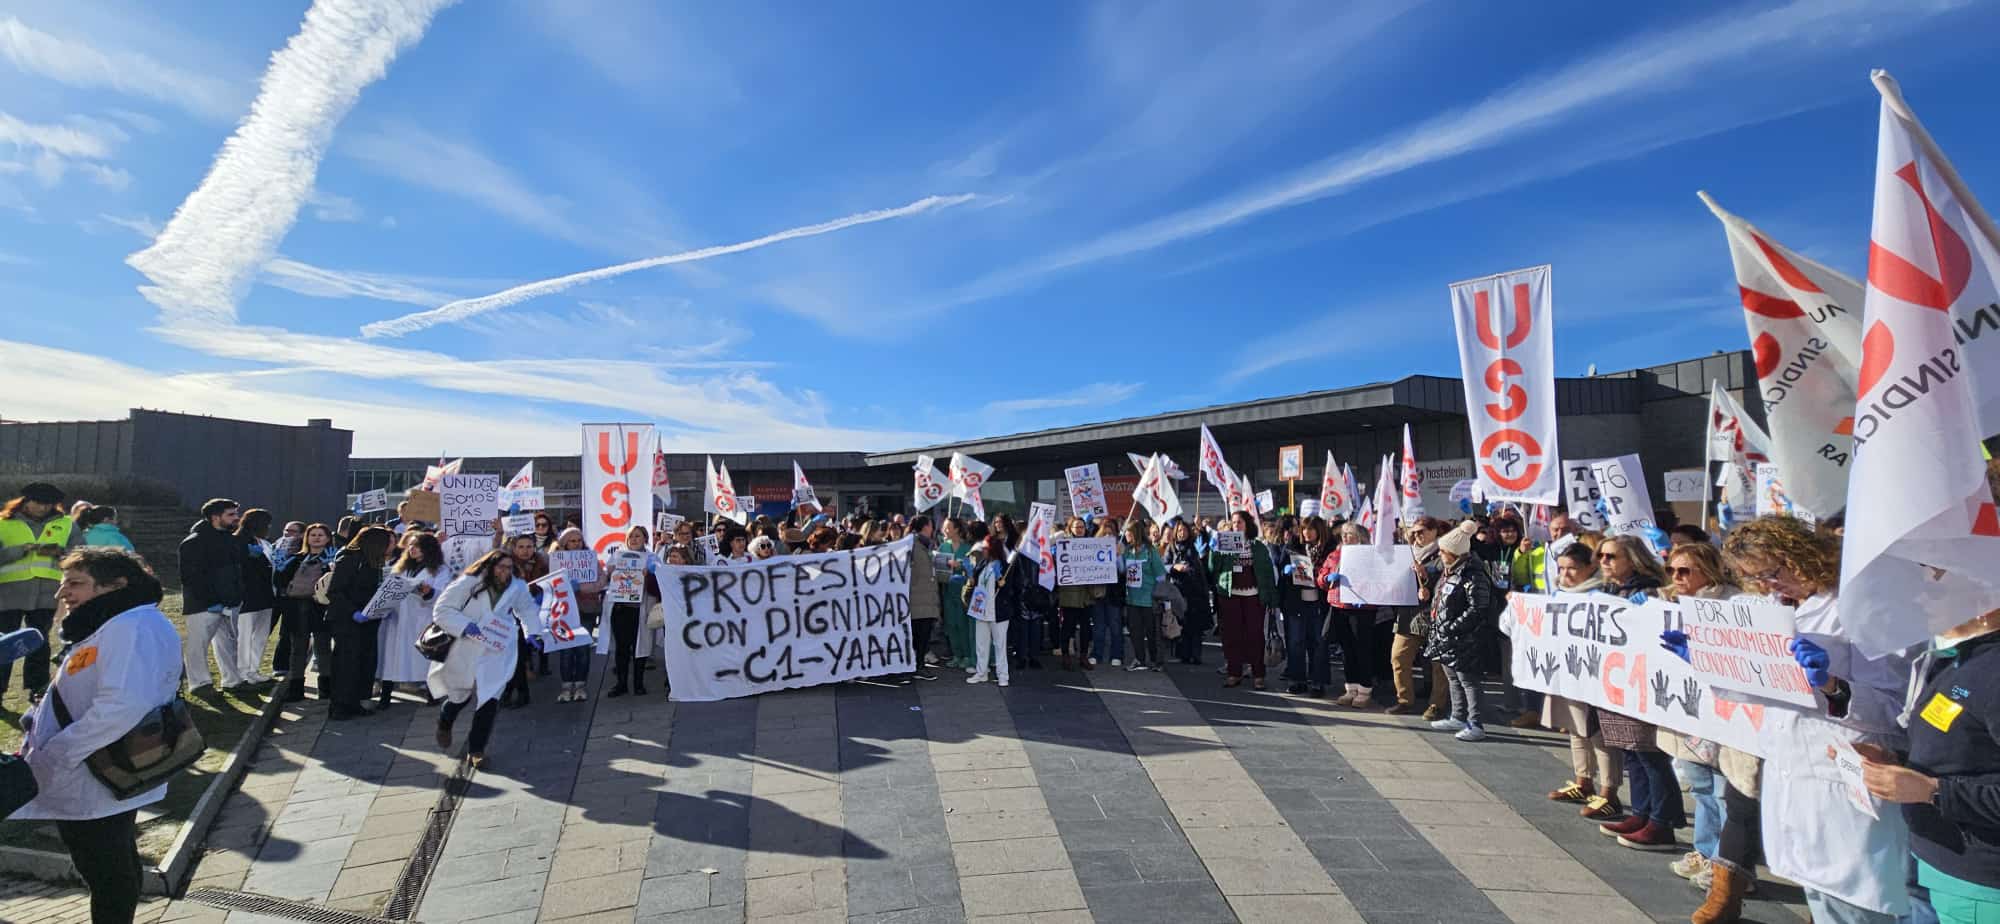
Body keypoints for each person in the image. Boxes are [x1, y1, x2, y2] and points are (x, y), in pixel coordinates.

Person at [1716, 516, 1914, 924]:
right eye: (1756, 578)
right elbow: (1761, 690)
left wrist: (1832, 685)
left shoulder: (1860, 607)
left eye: (1773, 572)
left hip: (1846, 779)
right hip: (1796, 777)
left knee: (1858, 908)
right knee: (1821, 900)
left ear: (1800, 556)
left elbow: (1896, 707)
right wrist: (1710, 662)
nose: (1769, 585)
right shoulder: (1777, 609)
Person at [12, 547, 181, 924]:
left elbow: (122, 706)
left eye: (75, 583)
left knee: (106, 871)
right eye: (62, 583)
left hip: (96, 771)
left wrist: (55, 753)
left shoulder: (131, 628)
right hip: (99, 770)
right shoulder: (116, 621)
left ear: (116, 585)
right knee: (114, 865)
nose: (62, 593)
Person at [1855, 604, 2000, 924]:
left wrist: (1934, 791)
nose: (1925, 599)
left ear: (1986, 607)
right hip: (1933, 860)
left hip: (1978, 887)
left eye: (1942, 588)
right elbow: (1959, 751)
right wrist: (1897, 762)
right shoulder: (1959, 659)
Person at [1655, 542, 1745, 882]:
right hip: (1687, 708)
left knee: (1724, 789)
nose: (1676, 577)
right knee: (1701, 785)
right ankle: (1705, 851)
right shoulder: (1670, 602)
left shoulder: (1730, 604)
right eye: (1671, 571)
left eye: (1684, 571)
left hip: (1721, 711)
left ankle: (1729, 864)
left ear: (1708, 570)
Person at [1590, 534, 1684, 850]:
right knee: (1630, 751)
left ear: (1633, 559)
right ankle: (1641, 812)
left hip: (1642, 682)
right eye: (1601, 556)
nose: (1603, 561)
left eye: (1611, 556)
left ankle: (1662, 822)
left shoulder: (1649, 592)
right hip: (1618, 680)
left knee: (1649, 753)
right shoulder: (1608, 589)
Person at [1540, 538, 1628, 820]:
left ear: (1590, 568)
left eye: (1572, 569)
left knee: (1599, 733)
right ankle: (1583, 780)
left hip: (1596, 674)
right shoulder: (1561, 594)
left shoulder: (1601, 595)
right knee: (1575, 726)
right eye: (1561, 568)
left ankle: (1609, 792)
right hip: (1569, 670)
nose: (1565, 575)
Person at [430, 549, 539, 769]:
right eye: (500, 567)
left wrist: (533, 632)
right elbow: (441, 610)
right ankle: (445, 720)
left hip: (496, 648)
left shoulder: (516, 586)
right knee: (460, 695)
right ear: (489, 566)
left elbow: (526, 609)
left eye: (509, 567)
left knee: (490, 698)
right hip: (466, 646)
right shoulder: (468, 582)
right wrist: (464, 626)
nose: (505, 572)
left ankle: (476, 750)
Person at [0, 482, 82, 703]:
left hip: (47, 593)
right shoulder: (3, 523)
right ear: (25, 501)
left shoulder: (66, 524)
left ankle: (37, 688)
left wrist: (61, 553)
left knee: (39, 641)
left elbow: (80, 554)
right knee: (4, 643)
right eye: (38, 503)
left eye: (48, 504)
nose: (42, 508)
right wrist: (22, 550)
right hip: (8, 593)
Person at [1426, 521, 1494, 741]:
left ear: (1454, 553)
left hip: (1466, 638)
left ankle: (1476, 723)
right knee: (1453, 677)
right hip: (1448, 636)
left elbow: (1478, 607)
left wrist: (1455, 627)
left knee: (1469, 681)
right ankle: (1457, 716)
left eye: (1443, 551)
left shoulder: (1473, 575)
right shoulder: (1449, 573)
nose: (1440, 555)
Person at [325, 526, 394, 720]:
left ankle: (355, 702)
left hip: (369, 620)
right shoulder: (349, 559)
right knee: (347, 663)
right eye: (388, 542)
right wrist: (353, 612)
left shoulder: (375, 563)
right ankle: (339, 705)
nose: (391, 545)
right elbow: (335, 591)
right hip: (347, 620)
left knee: (364, 662)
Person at [178, 498, 246, 693]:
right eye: (231, 514)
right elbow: (191, 577)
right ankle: (200, 684)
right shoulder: (194, 542)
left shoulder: (228, 539)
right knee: (198, 646)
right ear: (215, 517)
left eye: (236, 513)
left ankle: (232, 680)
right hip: (203, 604)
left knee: (227, 644)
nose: (236, 518)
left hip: (227, 602)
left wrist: (234, 597)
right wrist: (210, 601)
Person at [1209, 510, 1278, 690]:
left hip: (1253, 597)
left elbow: (1267, 574)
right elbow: (1213, 568)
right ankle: (1234, 672)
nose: (1236, 525)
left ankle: (1258, 674)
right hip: (1231, 596)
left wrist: (1272, 599)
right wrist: (1216, 551)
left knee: (1255, 636)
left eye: (1239, 522)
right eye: (1233, 523)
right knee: (1232, 635)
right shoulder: (1226, 545)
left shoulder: (1258, 546)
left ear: (1247, 524)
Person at [378, 532, 448, 707]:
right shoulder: (400, 568)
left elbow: (443, 595)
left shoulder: (440, 570)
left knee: (424, 659)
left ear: (428, 549)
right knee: (391, 659)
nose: (412, 549)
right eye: (410, 545)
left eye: (416, 546)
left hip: (421, 618)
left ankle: (433, 695)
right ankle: (385, 696)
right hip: (398, 619)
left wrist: (428, 592)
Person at [1319, 521, 1382, 706]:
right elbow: (1321, 577)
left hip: (1362, 608)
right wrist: (1326, 578)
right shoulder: (1335, 554)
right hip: (1340, 606)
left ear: (1360, 537)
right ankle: (1351, 688)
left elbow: (1379, 579)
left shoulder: (1370, 556)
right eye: (1344, 534)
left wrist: (1368, 594)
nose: (1345, 537)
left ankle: (1364, 689)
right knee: (1347, 650)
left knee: (1362, 648)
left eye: (1350, 534)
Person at [1390, 517, 1449, 716]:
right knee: (1399, 656)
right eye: (1414, 532)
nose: (1418, 535)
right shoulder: (1405, 553)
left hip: (1434, 614)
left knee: (1437, 663)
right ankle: (1404, 699)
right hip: (1409, 614)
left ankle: (1437, 704)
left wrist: (1426, 579)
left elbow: (1447, 577)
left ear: (1435, 531)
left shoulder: (1443, 552)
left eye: (1423, 531)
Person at [274, 523, 336, 703]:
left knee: (323, 648)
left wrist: (330, 568)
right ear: (306, 538)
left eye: (320, 535)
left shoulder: (332, 558)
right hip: (296, 607)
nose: (316, 538)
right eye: (313, 535)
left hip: (320, 607)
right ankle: (296, 690)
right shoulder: (295, 558)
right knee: (297, 649)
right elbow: (281, 582)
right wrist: (279, 568)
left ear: (327, 538)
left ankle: (326, 688)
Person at [601, 525, 660, 698]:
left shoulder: (652, 558)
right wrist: (610, 573)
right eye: (631, 536)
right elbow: (606, 579)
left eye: (638, 536)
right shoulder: (617, 556)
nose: (634, 539)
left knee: (640, 648)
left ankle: (638, 683)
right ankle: (621, 683)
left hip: (641, 609)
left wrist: (650, 574)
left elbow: (659, 584)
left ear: (645, 539)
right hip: (620, 609)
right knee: (622, 648)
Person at [548, 527, 603, 703]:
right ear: (564, 543)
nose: (576, 543)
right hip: (563, 611)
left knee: (582, 650)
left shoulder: (590, 559)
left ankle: (580, 685)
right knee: (565, 650)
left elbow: (601, 581)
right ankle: (566, 686)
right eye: (572, 540)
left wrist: (582, 588)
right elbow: (548, 582)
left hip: (586, 610)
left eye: (579, 540)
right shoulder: (554, 560)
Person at [1282, 517, 1331, 696]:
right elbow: (1281, 568)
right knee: (1296, 642)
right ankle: (1297, 680)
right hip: (1297, 602)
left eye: (1311, 529)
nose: (1306, 533)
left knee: (1318, 643)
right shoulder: (1293, 546)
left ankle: (1318, 682)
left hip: (1319, 603)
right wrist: (1286, 571)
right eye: (1304, 529)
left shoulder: (1328, 549)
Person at [499, 535, 549, 708]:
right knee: (516, 656)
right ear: (514, 548)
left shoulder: (542, 563)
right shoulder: (507, 566)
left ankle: (516, 693)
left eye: (529, 546)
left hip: (533, 612)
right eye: (521, 546)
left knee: (518, 656)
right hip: (511, 615)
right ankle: (515, 693)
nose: (525, 550)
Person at [233, 508, 277, 687]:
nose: (269, 528)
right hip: (247, 596)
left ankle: (254, 669)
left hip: (265, 595)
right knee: (244, 636)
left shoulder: (264, 543)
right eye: (266, 524)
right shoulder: (238, 541)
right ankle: (243, 671)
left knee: (260, 635)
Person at [1119, 520, 1168, 672]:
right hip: (1132, 599)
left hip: (1149, 599)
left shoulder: (1150, 551)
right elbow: (1121, 570)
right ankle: (1139, 659)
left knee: (1152, 633)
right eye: (1125, 532)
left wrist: (1157, 593)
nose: (1126, 535)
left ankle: (1155, 660)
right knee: (1135, 632)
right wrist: (1116, 556)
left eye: (1128, 532)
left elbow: (1161, 575)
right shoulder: (1127, 551)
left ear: (1136, 533)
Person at [964, 531, 1009, 687]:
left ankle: (1003, 676)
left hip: (998, 611)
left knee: (999, 645)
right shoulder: (983, 564)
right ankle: (981, 672)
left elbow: (1013, 588)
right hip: (981, 609)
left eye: (985, 548)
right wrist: (970, 574)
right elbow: (976, 582)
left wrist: (1003, 583)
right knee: (981, 644)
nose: (983, 550)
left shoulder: (1004, 565)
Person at [1165, 520, 1211, 666]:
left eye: (1184, 530)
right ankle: (1184, 653)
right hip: (1178, 591)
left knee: (1195, 626)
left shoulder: (1193, 547)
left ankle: (1196, 655)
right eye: (1179, 531)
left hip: (1195, 591)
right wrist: (1174, 567)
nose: (1182, 533)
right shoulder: (1171, 549)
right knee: (1181, 625)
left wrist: (1201, 529)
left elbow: (1200, 565)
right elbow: (1163, 566)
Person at [904, 516, 942, 682]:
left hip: (926, 598)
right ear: (926, 527)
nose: (932, 529)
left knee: (923, 635)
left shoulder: (925, 545)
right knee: (918, 636)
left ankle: (918, 665)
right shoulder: (911, 545)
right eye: (931, 526)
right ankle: (917, 666)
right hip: (917, 598)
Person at [939, 518, 974, 670]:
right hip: (947, 591)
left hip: (964, 593)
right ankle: (956, 655)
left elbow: (974, 570)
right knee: (951, 624)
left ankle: (966, 655)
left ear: (957, 530)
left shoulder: (968, 548)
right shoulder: (942, 547)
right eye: (944, 528)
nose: (945, 530)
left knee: (963, 624)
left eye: (948, 528)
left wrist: (961, 566)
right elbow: (938, 569)